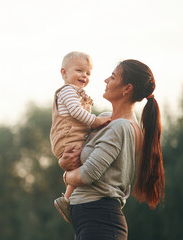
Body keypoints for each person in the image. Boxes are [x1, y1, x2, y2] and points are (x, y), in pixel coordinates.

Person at [59, 59, 165, 239]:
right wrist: (64, 161)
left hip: (100, 221)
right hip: (88, 221)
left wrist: (66, 176)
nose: (106, 80)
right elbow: (75, 156)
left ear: (127, 89)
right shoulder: (107, 120)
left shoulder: (122, 127)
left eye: (113, 77)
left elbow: (87, 174)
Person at [50, 51, 111, 223]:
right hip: (67, 138)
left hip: (74, 137)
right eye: (79, 71)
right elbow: (76, 112)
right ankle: (67, 200)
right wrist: (96, 121)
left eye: (88, 73)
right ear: (64, 73)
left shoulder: (76, 92)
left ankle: (68, 199)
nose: (84, 75)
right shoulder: (68, 91)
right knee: (83, 161)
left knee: (81, 162)